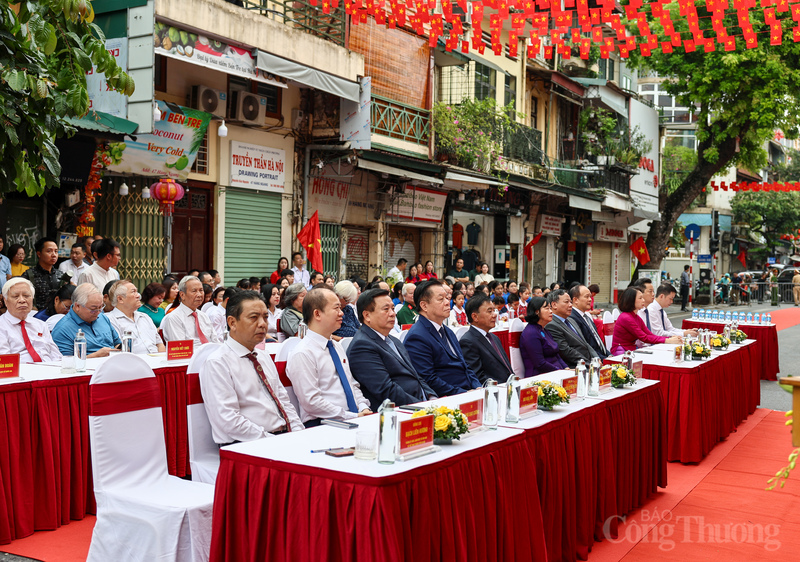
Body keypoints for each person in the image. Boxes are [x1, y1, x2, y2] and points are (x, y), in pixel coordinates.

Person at [200, 291, 303, 444]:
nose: (262, 324)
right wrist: (273, 441)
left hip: (279, 438)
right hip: (246, 445)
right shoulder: (218, 363)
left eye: (265, 317)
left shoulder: (263, 356)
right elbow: (228, 421)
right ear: (232, 322)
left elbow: (284, 402)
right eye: (254, 317)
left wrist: (299, 434)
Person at [286, 286, 372, 426]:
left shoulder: (336, 346)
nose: (341, 313)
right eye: (336, 308)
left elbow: (351, 385)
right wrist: (351, 416)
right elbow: (312, 402)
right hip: (323, 423)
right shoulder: (303, 353)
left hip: (351, 418)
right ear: (317, 314)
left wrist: (363, 407)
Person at [347, 288, 436, 410]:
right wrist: (423, 408)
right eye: (386, 309)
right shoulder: (362, 346)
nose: (392, 314)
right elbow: (386, 390)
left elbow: (415, 375)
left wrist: (432, 397)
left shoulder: (393, 340)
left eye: (393, 309)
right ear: (367, 315)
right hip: (399, 410)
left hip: (421, 403)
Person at [404, 280, 480, 396]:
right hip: (449, 398)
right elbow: (428, 379)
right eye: (441, 299)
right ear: (424, 306)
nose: (447, 302)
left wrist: (477, 386)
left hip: (469, 392)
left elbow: (465, 365)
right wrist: (464, 393)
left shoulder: (448, 331)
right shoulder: (417, 337)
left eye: (447, 298)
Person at [51, 283, 121, 357]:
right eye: (93, 309)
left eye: (101, 307)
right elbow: (65, 361)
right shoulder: (62, 330)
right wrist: (95, 356)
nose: (98, 312)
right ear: (77, 306)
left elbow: (117, 344)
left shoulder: (103, 318)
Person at [0, 278, 61, 362]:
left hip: (49, 367)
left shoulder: (41, 325)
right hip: (21, 369)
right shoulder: (1, 326)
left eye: (26, 296)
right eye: (15, 296)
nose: (22, 300)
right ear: (5, 301)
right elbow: (5, 362)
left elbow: (56, 356)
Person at [458, 293, 514, 385]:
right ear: (475, 317)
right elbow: (477, 377)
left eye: (494, 310)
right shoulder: (468, 341)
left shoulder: (494, 338)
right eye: (489, 311)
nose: (494, 315)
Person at [611, 287, 681, 354]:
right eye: (640, 298)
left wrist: (670, 338)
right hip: (621, 350)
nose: (643, 300)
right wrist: (667, 340)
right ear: (631, 300)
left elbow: (649, 334)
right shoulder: (626, 317)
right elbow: (644, 337)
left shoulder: (636, 317)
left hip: (631, 349)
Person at [160, 275, 220, 346]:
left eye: (201, 290)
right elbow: (180, 348)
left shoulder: (203, 316)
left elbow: (216, 342)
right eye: (194, 291)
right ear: (182, 295)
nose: (199, 295)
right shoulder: (173, 318)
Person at [544, 289, 598, 367]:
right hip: (575, 366)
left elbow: (585, 343)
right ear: (554, 305)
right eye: (566, 302)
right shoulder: (551, 325)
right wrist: (588, 364)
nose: (570, 305)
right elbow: (566, 351)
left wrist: (596, 358)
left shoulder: (571, 320)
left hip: (589, 363)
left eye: (571, 302)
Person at [106, 280, 164, 354]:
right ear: (120, 299)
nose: (138, 296)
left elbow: (159, 344)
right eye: (133, 292)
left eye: (137, 291)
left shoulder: (144, 317)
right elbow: (117, 350)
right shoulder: (110, 320)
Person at [520, 297, 568, 378]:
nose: (551, 311)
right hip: (539, 376)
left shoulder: (544, 330)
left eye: (550, 308)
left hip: (556, 372)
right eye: (547, 308)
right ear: (536, 312)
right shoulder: (531, 333)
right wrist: (561, 372)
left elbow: (556, 355)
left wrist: (566, 368)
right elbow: (540, 364)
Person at [20, 237, 64, 311]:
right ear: (39, 254)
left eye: (56, 251)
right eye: (49, 251)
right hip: (35, 315)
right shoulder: (29, 275)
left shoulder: (60, 275)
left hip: (57, 315)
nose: (54, 255)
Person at [568, 285, 608, 359]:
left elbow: (598, 342)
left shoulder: (586, 316)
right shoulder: (572, 318)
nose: (590, 299)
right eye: (586, 297)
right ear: (575, 300)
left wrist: (609, 355)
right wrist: (604, 359)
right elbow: (585, 347)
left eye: (590, 297)